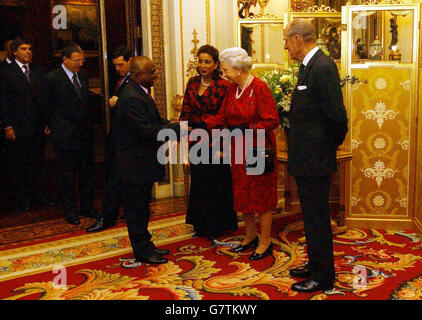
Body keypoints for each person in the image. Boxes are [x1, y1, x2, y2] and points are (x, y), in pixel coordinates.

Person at [190, 47, 278, 260]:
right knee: (243, 193)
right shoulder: (232, 88)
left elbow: (271, 120)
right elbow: (222, 116)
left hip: (257, 148)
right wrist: (198, 125)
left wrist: (246, 130)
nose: (224, 74)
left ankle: (265, 241)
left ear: (239, 69)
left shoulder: (259, 88)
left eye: (226, 70)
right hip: (238, 148)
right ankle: (249, 236)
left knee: (262, 195)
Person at [283, 19, 348, 293]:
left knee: (318, 219)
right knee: (310, 217)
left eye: (287, 40)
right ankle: (315, 265)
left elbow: (337, 117)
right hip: (307, 158)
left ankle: (324, 276)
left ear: (298, 39)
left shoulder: (323, 67)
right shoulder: (308, 66)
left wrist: (325, 147)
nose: (285, 46)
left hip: (316, 159)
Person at [113, 56, 180, 267]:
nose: (156, 75)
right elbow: (149, 131)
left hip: (142, 162)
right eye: (151, 72)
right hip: (134, 164)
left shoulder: (139, 91)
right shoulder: (132, 96)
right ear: (139, 75)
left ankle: (147, 245)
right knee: (136, 210)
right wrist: (179, 128)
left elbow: (154, 121)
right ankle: (142, 252)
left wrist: (170, 123)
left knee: (142, 207)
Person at [180, 44, 237, 240]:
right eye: (200, 61)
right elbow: (185, 109)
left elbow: (224, 116)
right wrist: (184, 131)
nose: (203, 65)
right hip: (196, 140)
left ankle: (218, 224)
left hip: (217, 140)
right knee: (200, 182)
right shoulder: (193, 83)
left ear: (215, 65)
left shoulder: (224, 86)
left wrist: (201, 126)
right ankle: (200, 223)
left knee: (216, 181)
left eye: (207, 62)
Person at [46, 43, 98, 225]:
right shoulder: (52, 78)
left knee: (86, 173)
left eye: (82, 59)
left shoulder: (82, 75)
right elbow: (47, 106)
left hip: (84, 134)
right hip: (64, 135)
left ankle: (87, 207)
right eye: (76, 60)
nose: (80, 64)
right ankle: (70, 211)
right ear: (65, 60)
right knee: (67, 175)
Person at [0, 37, 52, 212]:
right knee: (18, 164)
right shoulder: (5, 71)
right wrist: (7, 125)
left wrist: (46, 122)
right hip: (17, 127)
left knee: (37, 163)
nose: (28, 52)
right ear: (14, 52)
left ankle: (38, 195)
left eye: (30, 49)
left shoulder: (38, 70)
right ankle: (22, 199)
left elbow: (43, 98)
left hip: (37, 127)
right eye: (23, 49)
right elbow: (3, 101)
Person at [86, 46, 132, 233]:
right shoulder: (121, 79)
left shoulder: (136, 80)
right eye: (115, 65)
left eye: (121, 64)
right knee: (115, 178)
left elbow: (136, 108)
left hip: (128, 141)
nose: (117, 68)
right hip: (118, 138)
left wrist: (118, 103)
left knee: (117, 179)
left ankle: (108, 217)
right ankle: (114, 214)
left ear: (130, 61)